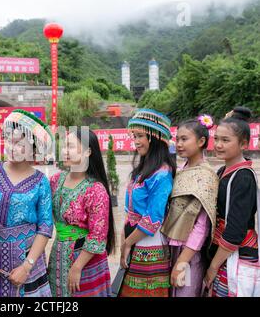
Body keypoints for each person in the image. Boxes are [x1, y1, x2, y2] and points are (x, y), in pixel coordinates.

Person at [0, 109, 53, 297]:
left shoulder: (41, 182)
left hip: (27, 263)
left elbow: (45, 227)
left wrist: (27, 266)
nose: (11, 146)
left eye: (18, 143)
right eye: (8, 140)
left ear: (34, 148)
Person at [48, 128, 115, 297]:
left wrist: (77, 267)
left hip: (86, 260)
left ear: (88, 151)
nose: (65, 151)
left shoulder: (95, 189)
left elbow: (98, 236)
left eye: (70, 146)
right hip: (58, 253)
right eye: (64, 146)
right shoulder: (56, 180)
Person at [119, 108, 176, 297]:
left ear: (155, 137)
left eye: (140, 136)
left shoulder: (162, 174)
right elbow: (129, 210)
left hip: (148, 243)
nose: (135, 141)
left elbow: (153, 219)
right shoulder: (142, 170)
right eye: (134, 136)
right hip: (134, 238)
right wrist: (124, 238)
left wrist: (127, 243)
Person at [161, 115, 219, 297]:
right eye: (177, 139)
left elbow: (201, 227)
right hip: (172, 248)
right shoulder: (182, 170)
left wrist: (182, 263)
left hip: (190, 254)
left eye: (184, 139)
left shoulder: (206, 175)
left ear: (201, 141)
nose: (178, 144)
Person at [204, 107, 259, 297]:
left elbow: (235, 232)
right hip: (223, 254)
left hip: (233, 254)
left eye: (225, 140)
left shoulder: (243, 178)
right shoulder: (222, 172)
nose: (218, 145)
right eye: (216, 139)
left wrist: (212, 266)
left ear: (244, 144)